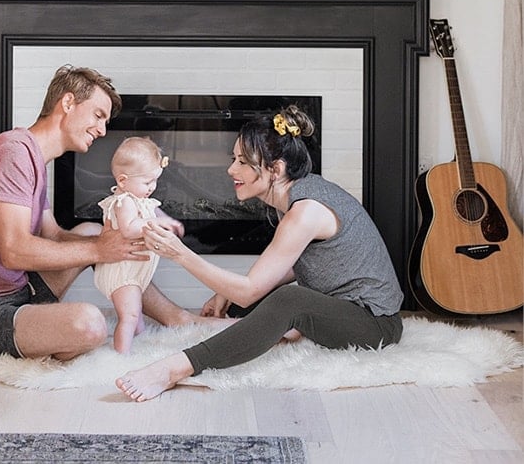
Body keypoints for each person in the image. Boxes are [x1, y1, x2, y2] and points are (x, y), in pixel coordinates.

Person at [116, 104, 404, 401]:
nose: (231, 170)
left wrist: (179, 253)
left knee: (286, 300)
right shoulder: (298, 194)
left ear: (275, 169)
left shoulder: (305, 211)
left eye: (242, 161)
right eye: (234, 159)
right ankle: (216, 326)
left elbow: (249, 291)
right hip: (343, 307)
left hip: (375, 325)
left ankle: (175, 368)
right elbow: (299, 263)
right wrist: (227, 292)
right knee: (252, 301)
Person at [0, 65, 193, 361]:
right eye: (98, 115)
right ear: (68, 103)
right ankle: (46, 337)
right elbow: (15, 251)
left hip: (20, 291)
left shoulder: (33, 157)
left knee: (91, 232)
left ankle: (176, 317)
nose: (102, 130)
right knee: (89, 324)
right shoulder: (13, 153)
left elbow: (54, 235)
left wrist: (109, 242)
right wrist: (100, 251)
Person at [94, 136, 184, 353]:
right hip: (121, 272)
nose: (152, 187)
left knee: (137, 314)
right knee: (130, 315)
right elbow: (129, 228)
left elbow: (153, 212)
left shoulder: (140, 199)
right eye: (147, 182)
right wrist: (156, 222)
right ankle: (120, 357)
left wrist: (168, 222)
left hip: (133, 272)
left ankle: (141, 347)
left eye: (155, 181)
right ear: (123, 181)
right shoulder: (123, 201)